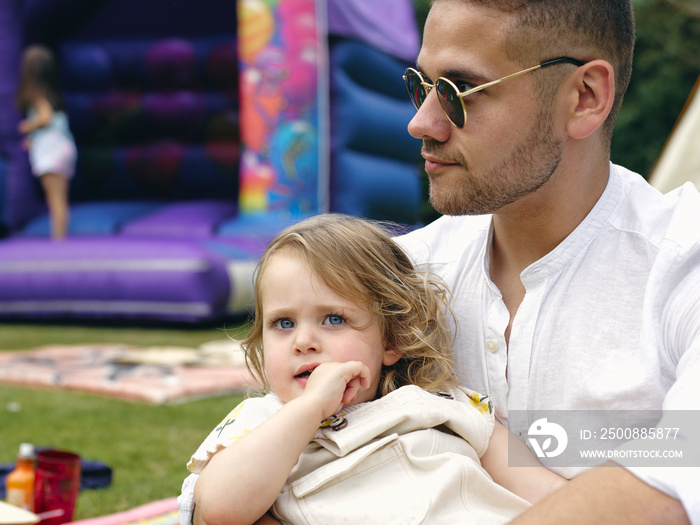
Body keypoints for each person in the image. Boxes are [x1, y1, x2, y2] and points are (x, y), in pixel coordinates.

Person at [395, 0, 700, 523]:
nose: (421, 123)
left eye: (458, 92)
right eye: (421, 86)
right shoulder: (405, 275)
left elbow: (678, 485)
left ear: (585, 97)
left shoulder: (680, 267)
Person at [178, 214, 567, 525]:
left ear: (391, 341)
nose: (303, 341)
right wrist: (309, 408)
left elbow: (545, 493)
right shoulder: (264, 422)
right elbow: (218, 512)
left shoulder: (449, 405)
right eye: (283, 323)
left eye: (333, 319)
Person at [16, 44, 76, 240]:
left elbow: (45, 117)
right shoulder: (51, 94)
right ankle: (60, 236)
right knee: (59, 197)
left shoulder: (38, 95)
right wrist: (32, 139)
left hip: (52, 150)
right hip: (62, 146)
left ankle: (58, 239)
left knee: (55, 198)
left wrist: (28, 126)